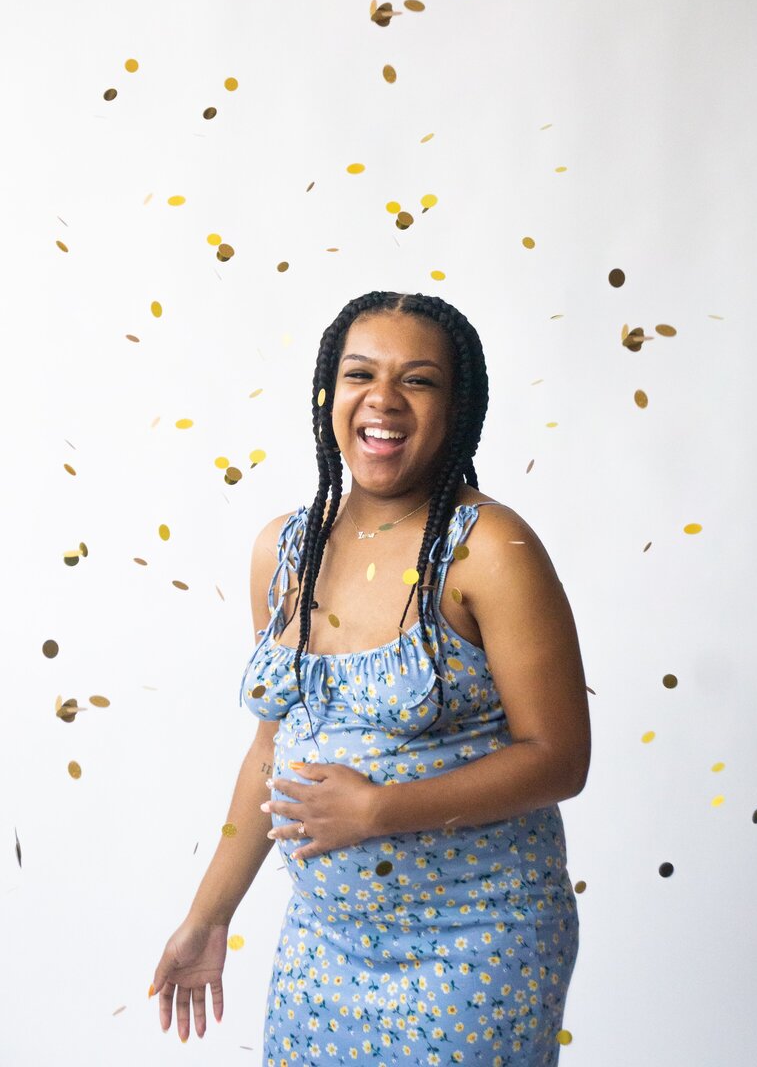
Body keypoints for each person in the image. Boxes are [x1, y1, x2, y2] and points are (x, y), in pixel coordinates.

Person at [151, 290, 591, 1065]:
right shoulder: (285, 549)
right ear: (330, 395)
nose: (382, 399)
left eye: (417, 380)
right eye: (360, 374)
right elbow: (269, 754)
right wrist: (208, 916)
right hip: (324, 943)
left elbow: (559, 756)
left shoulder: (488, 549)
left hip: (478, 941)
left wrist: (381, 811)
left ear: (459, 409)